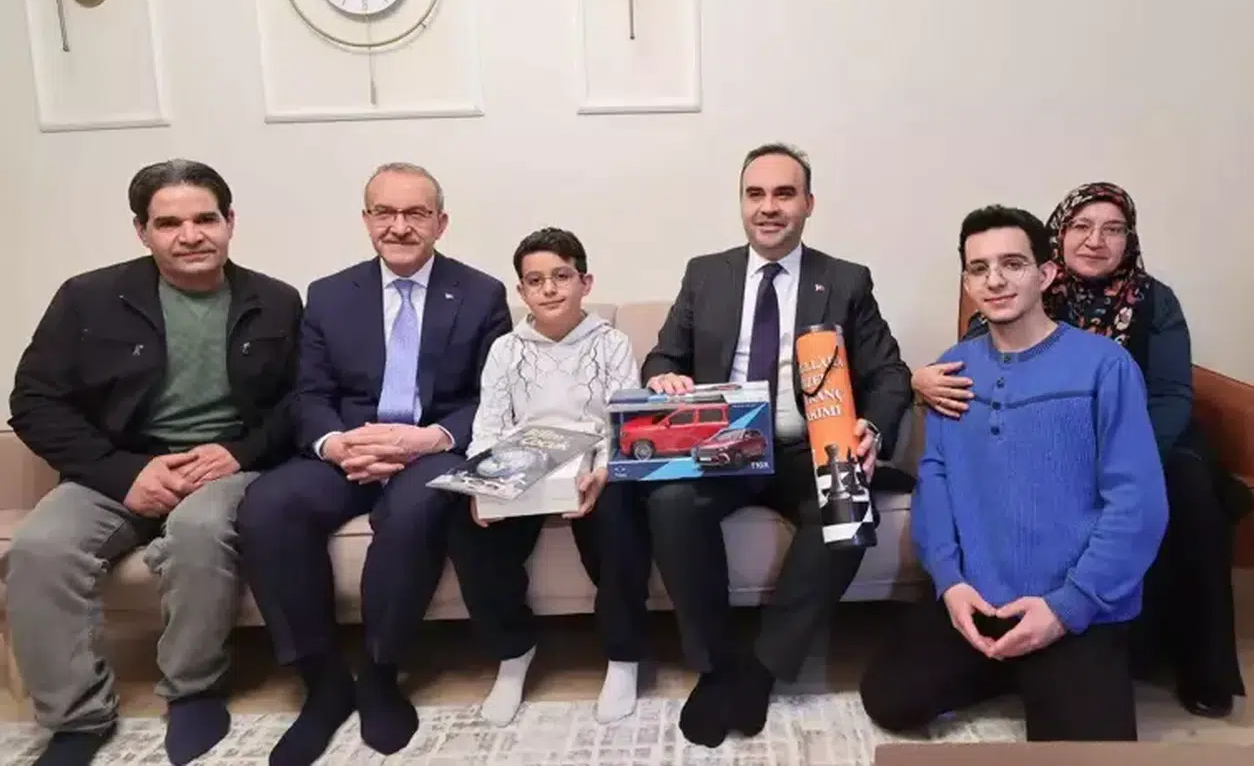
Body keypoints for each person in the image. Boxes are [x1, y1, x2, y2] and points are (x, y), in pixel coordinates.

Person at [5, 160, 303, 766]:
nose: (190, 236)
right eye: (169, 223)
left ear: (230, 222)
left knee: (199, 532)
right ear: (142, 231)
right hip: (115, 468)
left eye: (205, 219)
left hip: (224, 468)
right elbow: (33, 402)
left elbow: (301, 402)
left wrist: (237, 453)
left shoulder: (275, 300)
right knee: (39, 549)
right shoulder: (87, 298)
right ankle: (77, 720)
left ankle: (193, 692)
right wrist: (125, 474)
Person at [912, 182, 1248, 717]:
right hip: (1016, 527)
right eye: (1083, 227)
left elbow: (1170, 395)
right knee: (895, 696)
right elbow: (945, 455)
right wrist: (920, 381)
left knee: (1186, 498)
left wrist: (1119, 449)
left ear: (1041, 272)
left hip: (1151, 438)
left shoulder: (1146, 309)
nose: (1096, 240)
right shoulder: (977, 340)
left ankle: (1195, 668)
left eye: (1113, 229)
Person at [235, 163, 512, 764]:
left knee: (416, 511)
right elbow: (309, 394)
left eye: (415, 213)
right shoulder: (329, 294)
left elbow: (492, 395)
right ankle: (322, 681)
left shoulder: (482, 294)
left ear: (440, 222)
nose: (399, 226)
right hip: (350, 448)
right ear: (365, 220)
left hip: (430, 450)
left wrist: (430, 438)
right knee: (267, 505)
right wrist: (336, 444)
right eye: (385, 212)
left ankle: (382, 673)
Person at [861, 204, 1168, 741]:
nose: (995, 280)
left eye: (1012, 264)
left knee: (1087, 751)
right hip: (979, 598)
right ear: (967, 283)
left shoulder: (1105, 366)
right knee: (889, 699)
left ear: (1045, 274)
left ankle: (1044, 666)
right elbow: (937, 480)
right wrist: (951, 585)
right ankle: (1008, 666)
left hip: (1072, 608)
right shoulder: (953, 370)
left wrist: (1066, 607)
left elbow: (1138, 503)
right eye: (979, 268)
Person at [640, 143, 913, 748]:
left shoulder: (845, 280)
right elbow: (663, 356)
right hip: (725, 446)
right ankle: (716, 666)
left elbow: (890, 373)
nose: (768, 207)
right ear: (741, 202)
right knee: (670, 503)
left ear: (808, 204)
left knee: (847, 510)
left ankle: (760, 669)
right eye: (755, 194)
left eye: (784, 194)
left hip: (806, 448)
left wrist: (872, 428)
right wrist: (663, 377)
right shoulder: (705, 274)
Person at [449, 227, 652, 727]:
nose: (549, 289)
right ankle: (513, 653)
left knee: (621, 512)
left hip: (590, 467)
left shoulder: (611, 343)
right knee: (467, 525)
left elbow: (620, 422)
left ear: (585, 282)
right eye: (535, 281)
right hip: (524, 468)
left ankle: (623, 656)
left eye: (561, 276)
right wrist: (480, 480)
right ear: (521, 291)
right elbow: (489, 425)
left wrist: (602, 470)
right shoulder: (505, 349)